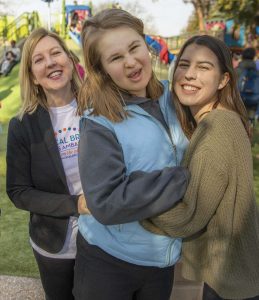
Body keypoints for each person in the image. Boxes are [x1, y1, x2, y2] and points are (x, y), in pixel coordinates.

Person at [74, 8, 190, 300]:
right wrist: (182, 179)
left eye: (134, 47)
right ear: (101, 70)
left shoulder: (172, 96)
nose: (130, 61)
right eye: (115, 58)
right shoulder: (98, 122)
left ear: (145, 44)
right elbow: (106, 202)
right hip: (109, 264)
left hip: (162, 259)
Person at [141, 35, 259, 300]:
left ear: (223, 80)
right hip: (230, 272)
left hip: (232, 283)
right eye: (183, 65)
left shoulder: (215, 131)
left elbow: (188, 217)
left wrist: (133, 205)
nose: (190, 74)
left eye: (204, 67)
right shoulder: (225, 120)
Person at [6, 28, 87, 300]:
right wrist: (75, 204)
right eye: (39, 59)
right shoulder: (22, 125)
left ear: (69, 58)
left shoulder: (99, 107)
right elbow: (19, 191)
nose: (50, 62)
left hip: (105, 239)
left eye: (55, 53)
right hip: (54, 245)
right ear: (32, 75)